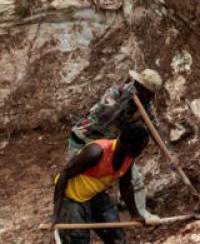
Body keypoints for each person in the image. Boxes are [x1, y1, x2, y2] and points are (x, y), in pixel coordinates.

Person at [68, 69, 164, 221]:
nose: (150, 97)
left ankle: (139, 212)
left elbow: (155, 127)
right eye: (147, 93)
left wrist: (167, 150)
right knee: (77, 179)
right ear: (138, 86)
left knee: (133, 177)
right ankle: (68, 216)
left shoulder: (146, 104)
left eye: (152, 94)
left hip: (112, 145)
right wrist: (123, 102)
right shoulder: (117, 92)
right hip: (84, 139)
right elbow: (103, 117)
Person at [52, 124, 154, 241]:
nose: (142, 151)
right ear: (128, 146)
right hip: (71, 197)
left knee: (116, 236)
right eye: (140, 148)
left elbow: (125, 186)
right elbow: (64, 175)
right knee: (77, 239)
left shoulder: (129, 156)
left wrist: (135, 214)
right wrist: (56, 213)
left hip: (94, 195)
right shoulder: (96, 152)